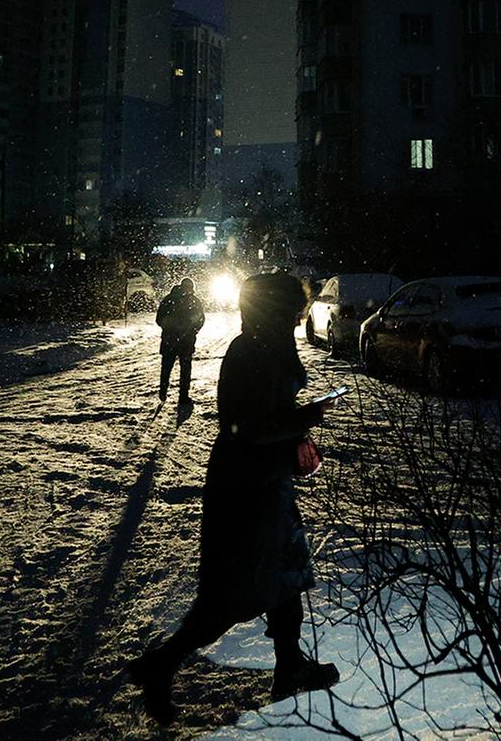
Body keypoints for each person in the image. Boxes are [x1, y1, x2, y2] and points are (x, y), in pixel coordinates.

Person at [127, 272, 340, 724]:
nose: (300, 315)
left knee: (284, 579)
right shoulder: (253, 351)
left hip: (262, 480)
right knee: (228, 594)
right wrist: (305, 417)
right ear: (280, 310)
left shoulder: (265, 346)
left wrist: (296, 426)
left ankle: (289, 667)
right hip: (246, 486)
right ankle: (160, 666)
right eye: (294, 307)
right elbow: (249, 427)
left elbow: (266, 418)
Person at [155, 277, 208, 403]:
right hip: (186, 341)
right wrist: (192, 331)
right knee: (185, 369)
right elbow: (200, 320)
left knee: (166, 367)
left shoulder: (168, 299)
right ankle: (183, 396)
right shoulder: (194, 301)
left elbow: (159, 319)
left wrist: (169, 329)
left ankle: (163, 392)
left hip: (169, 340)